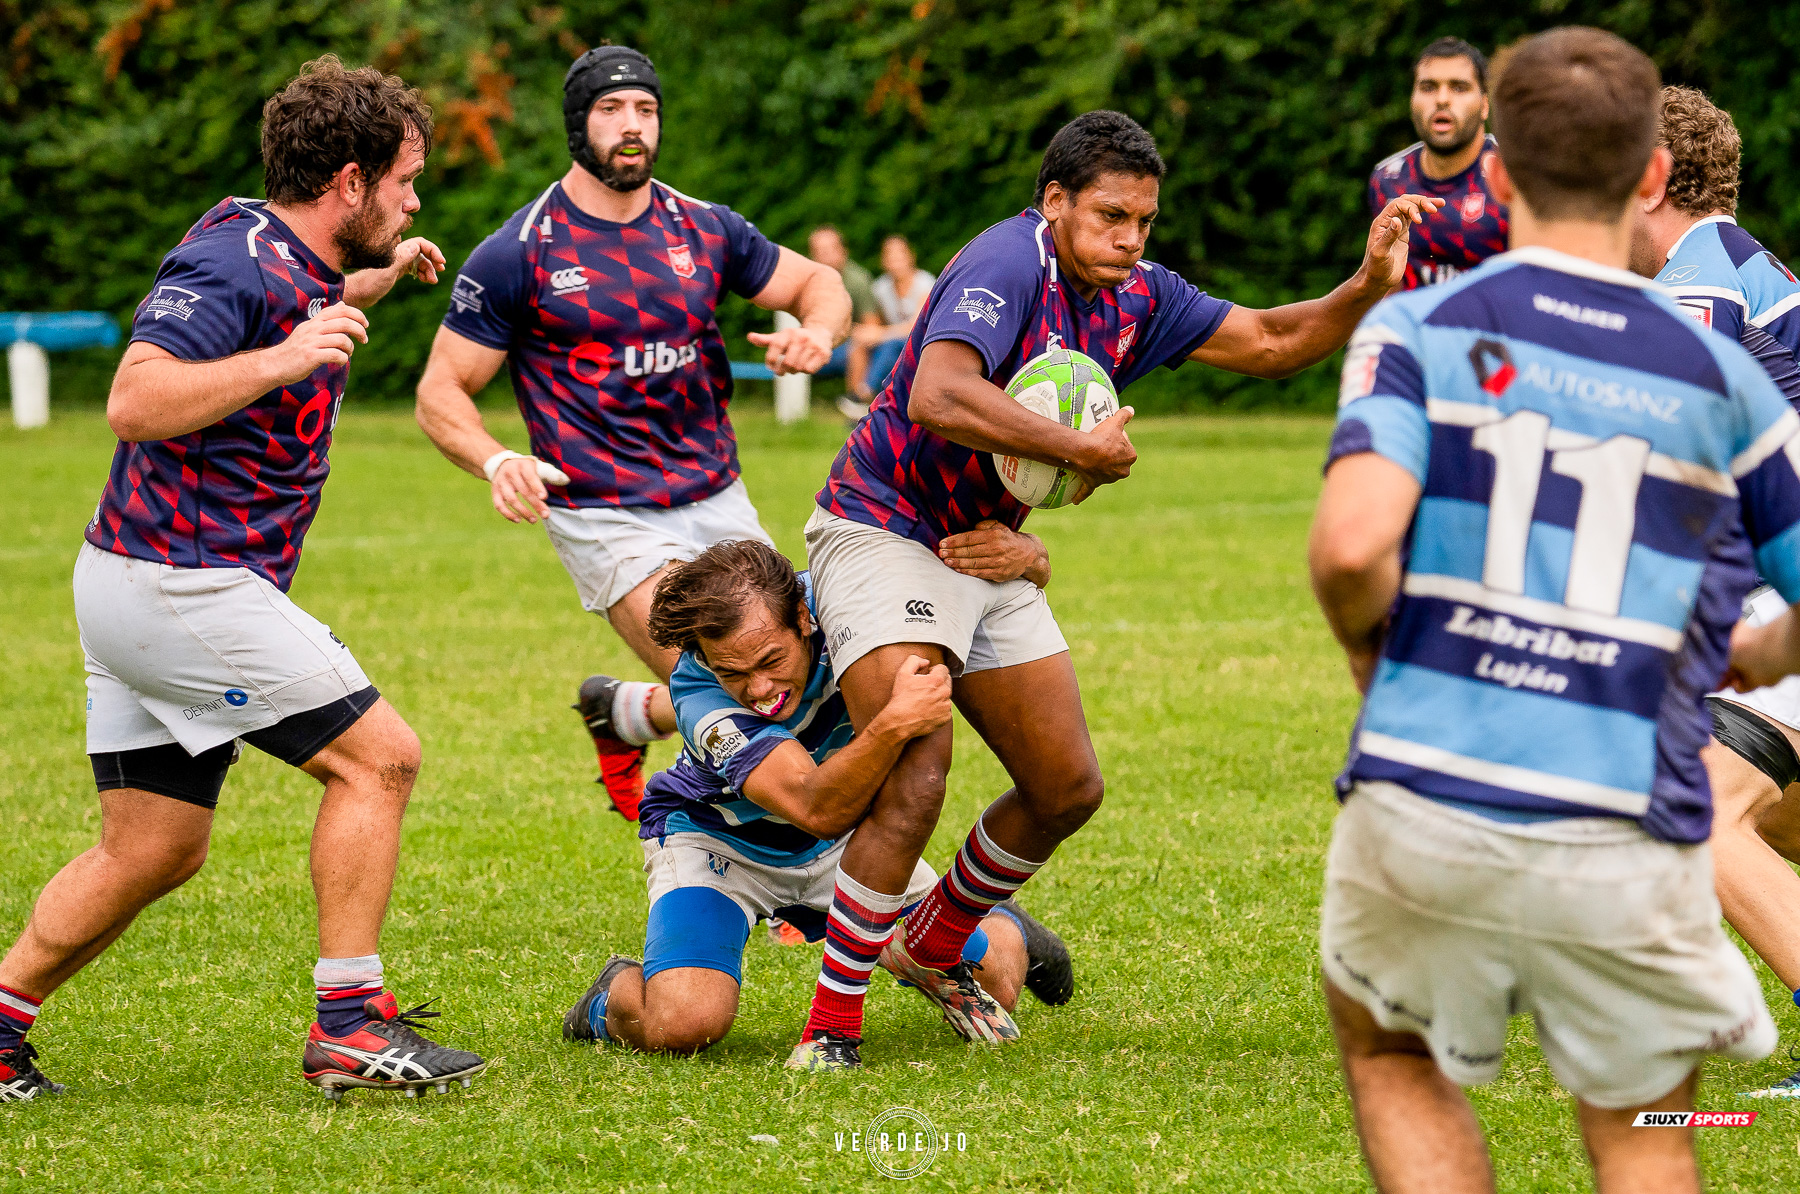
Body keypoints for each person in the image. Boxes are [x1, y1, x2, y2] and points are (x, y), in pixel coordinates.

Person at [791, 109, 1439, 1066]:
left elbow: (1266, 341)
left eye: (1144, 221)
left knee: (1064, 786)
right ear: (1055, 203)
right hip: (882, 523)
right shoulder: (1005, 266)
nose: (1130, 240)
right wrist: (1079, 449)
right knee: (913, 776)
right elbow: (937, 393)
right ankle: (830, 1029)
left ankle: (932, 941)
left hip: (987, 547)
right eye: (1109, 217)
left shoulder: (1136, 293)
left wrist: (1366, 286)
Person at [1314, 28, 1795, 1192]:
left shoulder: (1416, 328)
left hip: (1431, 783)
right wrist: (1749, 650)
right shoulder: (1721, 374)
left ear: (1492, 172)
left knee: (1388, 1051)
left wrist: (1379, 665)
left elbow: (1350, 548)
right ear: (1646, 177)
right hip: (1627, 800)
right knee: (1640, 1132)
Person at [0, 57, 487, 1104]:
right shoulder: (233, 267)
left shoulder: (280, 246)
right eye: (403, 181)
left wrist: (381, 273)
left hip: (139, 582)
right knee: (381, 762)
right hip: (184, 584)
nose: (414, 198)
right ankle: (351, 1025)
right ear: (348, 182)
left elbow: (304, 295)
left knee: (154, 847)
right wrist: (287, 358)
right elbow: (135, 399)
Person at [414, 47, 851, 821]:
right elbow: (441, 391)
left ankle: (624, 714)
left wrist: (817, 333)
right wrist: (496, 458)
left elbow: (818, 284)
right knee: (738, 693)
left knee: (790, 666)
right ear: (578, 124)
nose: (631, 126)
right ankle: (778, 886)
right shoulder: (521, 251)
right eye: (611, 110)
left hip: (715, 491)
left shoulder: (704, 228)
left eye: (645, 110)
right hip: (605, 511)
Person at [558, 540, 1074, 1070]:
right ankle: (606, 1000)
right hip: (721, 843)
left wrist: (1031, 556)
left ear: (804, 617)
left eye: (771, 660)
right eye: (732, 672)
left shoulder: (850, 604)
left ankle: (999, 917)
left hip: (847, 846)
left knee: (998, 984)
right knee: (685, 1024)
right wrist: (894, 722)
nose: (759, 690)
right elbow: (814, 807)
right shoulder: (696, 692)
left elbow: (943, 568)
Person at [1626, 84, 1800, 1100]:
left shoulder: (1694, 287)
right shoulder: (1745, 266)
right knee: (1766, 812)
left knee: (1687, 797)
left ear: (1649, 179)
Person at [1369, 37, 1508, 289]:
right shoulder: (1388, 179)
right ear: (1412, 100)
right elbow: (1387, 285)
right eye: (1428, 87)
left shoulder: (1514, 177)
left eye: (1458, 87)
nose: (1442, 99)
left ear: (1485, 105)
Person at [845, 235, 938, 408]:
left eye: (899, 257)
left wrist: (878, 334)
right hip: (892, 338)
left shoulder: (925, 283)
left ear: (910, 257)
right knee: (859, 342)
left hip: (922, 341)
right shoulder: (881, 288)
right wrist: (866, 333)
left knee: (890, 345)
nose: (895, 262)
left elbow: (915, 327)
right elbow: (877, 322)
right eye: (890, 257)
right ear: (884, 261)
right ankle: (854, 397)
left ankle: (865, 392)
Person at [807, 225, 886, 419]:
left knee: (857, 345)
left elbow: (871, 326)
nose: (824, 255)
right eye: (819, 251)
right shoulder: (806, 278)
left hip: (845, 344)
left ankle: (855, 406)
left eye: (829, 249)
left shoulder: (858, 280)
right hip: (811, 342)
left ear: (843, 251)